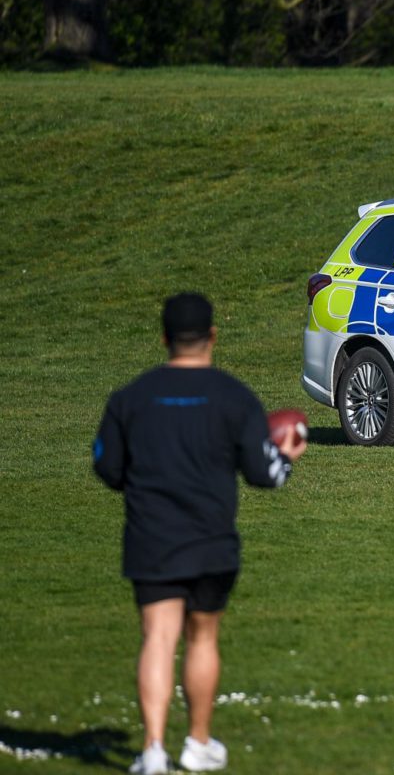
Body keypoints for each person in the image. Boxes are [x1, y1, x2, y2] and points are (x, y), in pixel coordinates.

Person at [92, 293, 307, 775]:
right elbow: (263, 475)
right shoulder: (235, 397)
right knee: (202, 638)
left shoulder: (131, 397)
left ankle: (152, 751)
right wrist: (287, 459)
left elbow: (106, 468)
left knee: (158, 637)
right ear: (212, 336)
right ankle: (197, 742)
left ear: (165, 338)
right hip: (211, 538)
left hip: (151, 537)